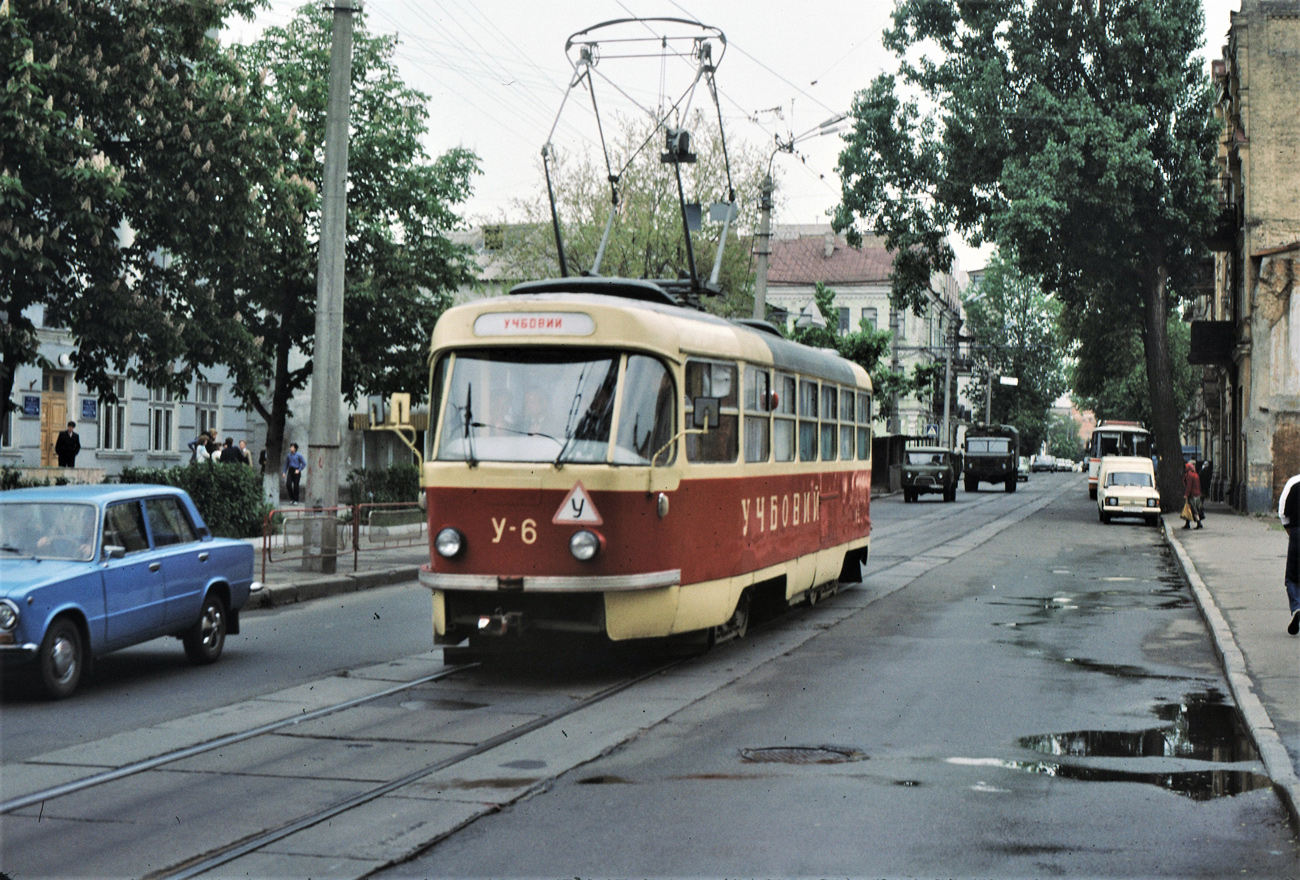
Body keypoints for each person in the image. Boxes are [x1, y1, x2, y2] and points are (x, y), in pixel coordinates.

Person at [1279, 470, 1300, 635]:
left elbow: (1282, 512)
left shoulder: (1293, 482)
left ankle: (1297, 606)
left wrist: (1290, 532)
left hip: (1297, 532)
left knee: (1292, 576)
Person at [1182, 460, 1203, 530]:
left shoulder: (1189, 476)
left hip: (1192, 495)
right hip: (1197, 494)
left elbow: (1189, 486)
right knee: (1190, 509)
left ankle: (1199, 523)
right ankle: (1187, 523)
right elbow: (1199, 485)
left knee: (1193, 510)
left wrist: (1186, 495)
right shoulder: (1196, 475)